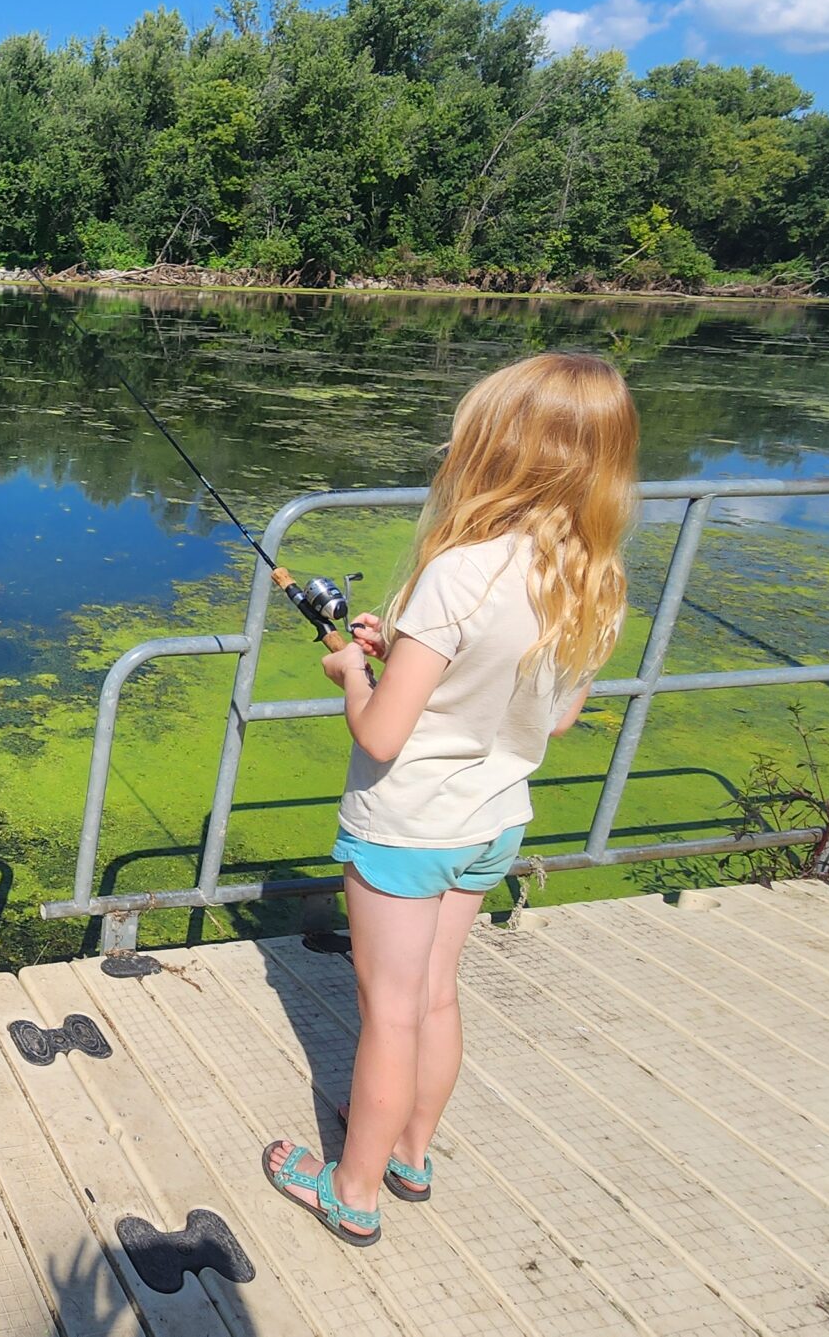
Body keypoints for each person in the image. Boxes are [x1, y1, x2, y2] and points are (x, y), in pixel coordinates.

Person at [264, 353, 638, 1246]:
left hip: (408, 826)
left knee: (389, 1013)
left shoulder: (458, 571)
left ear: (498, 450)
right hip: (494, 820)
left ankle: (350, 1189)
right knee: (436, 994)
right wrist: (405, 647)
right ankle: (412, 1155)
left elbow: (382, 736)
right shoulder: (595, 578)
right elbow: (553, 717)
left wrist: (354, 669)